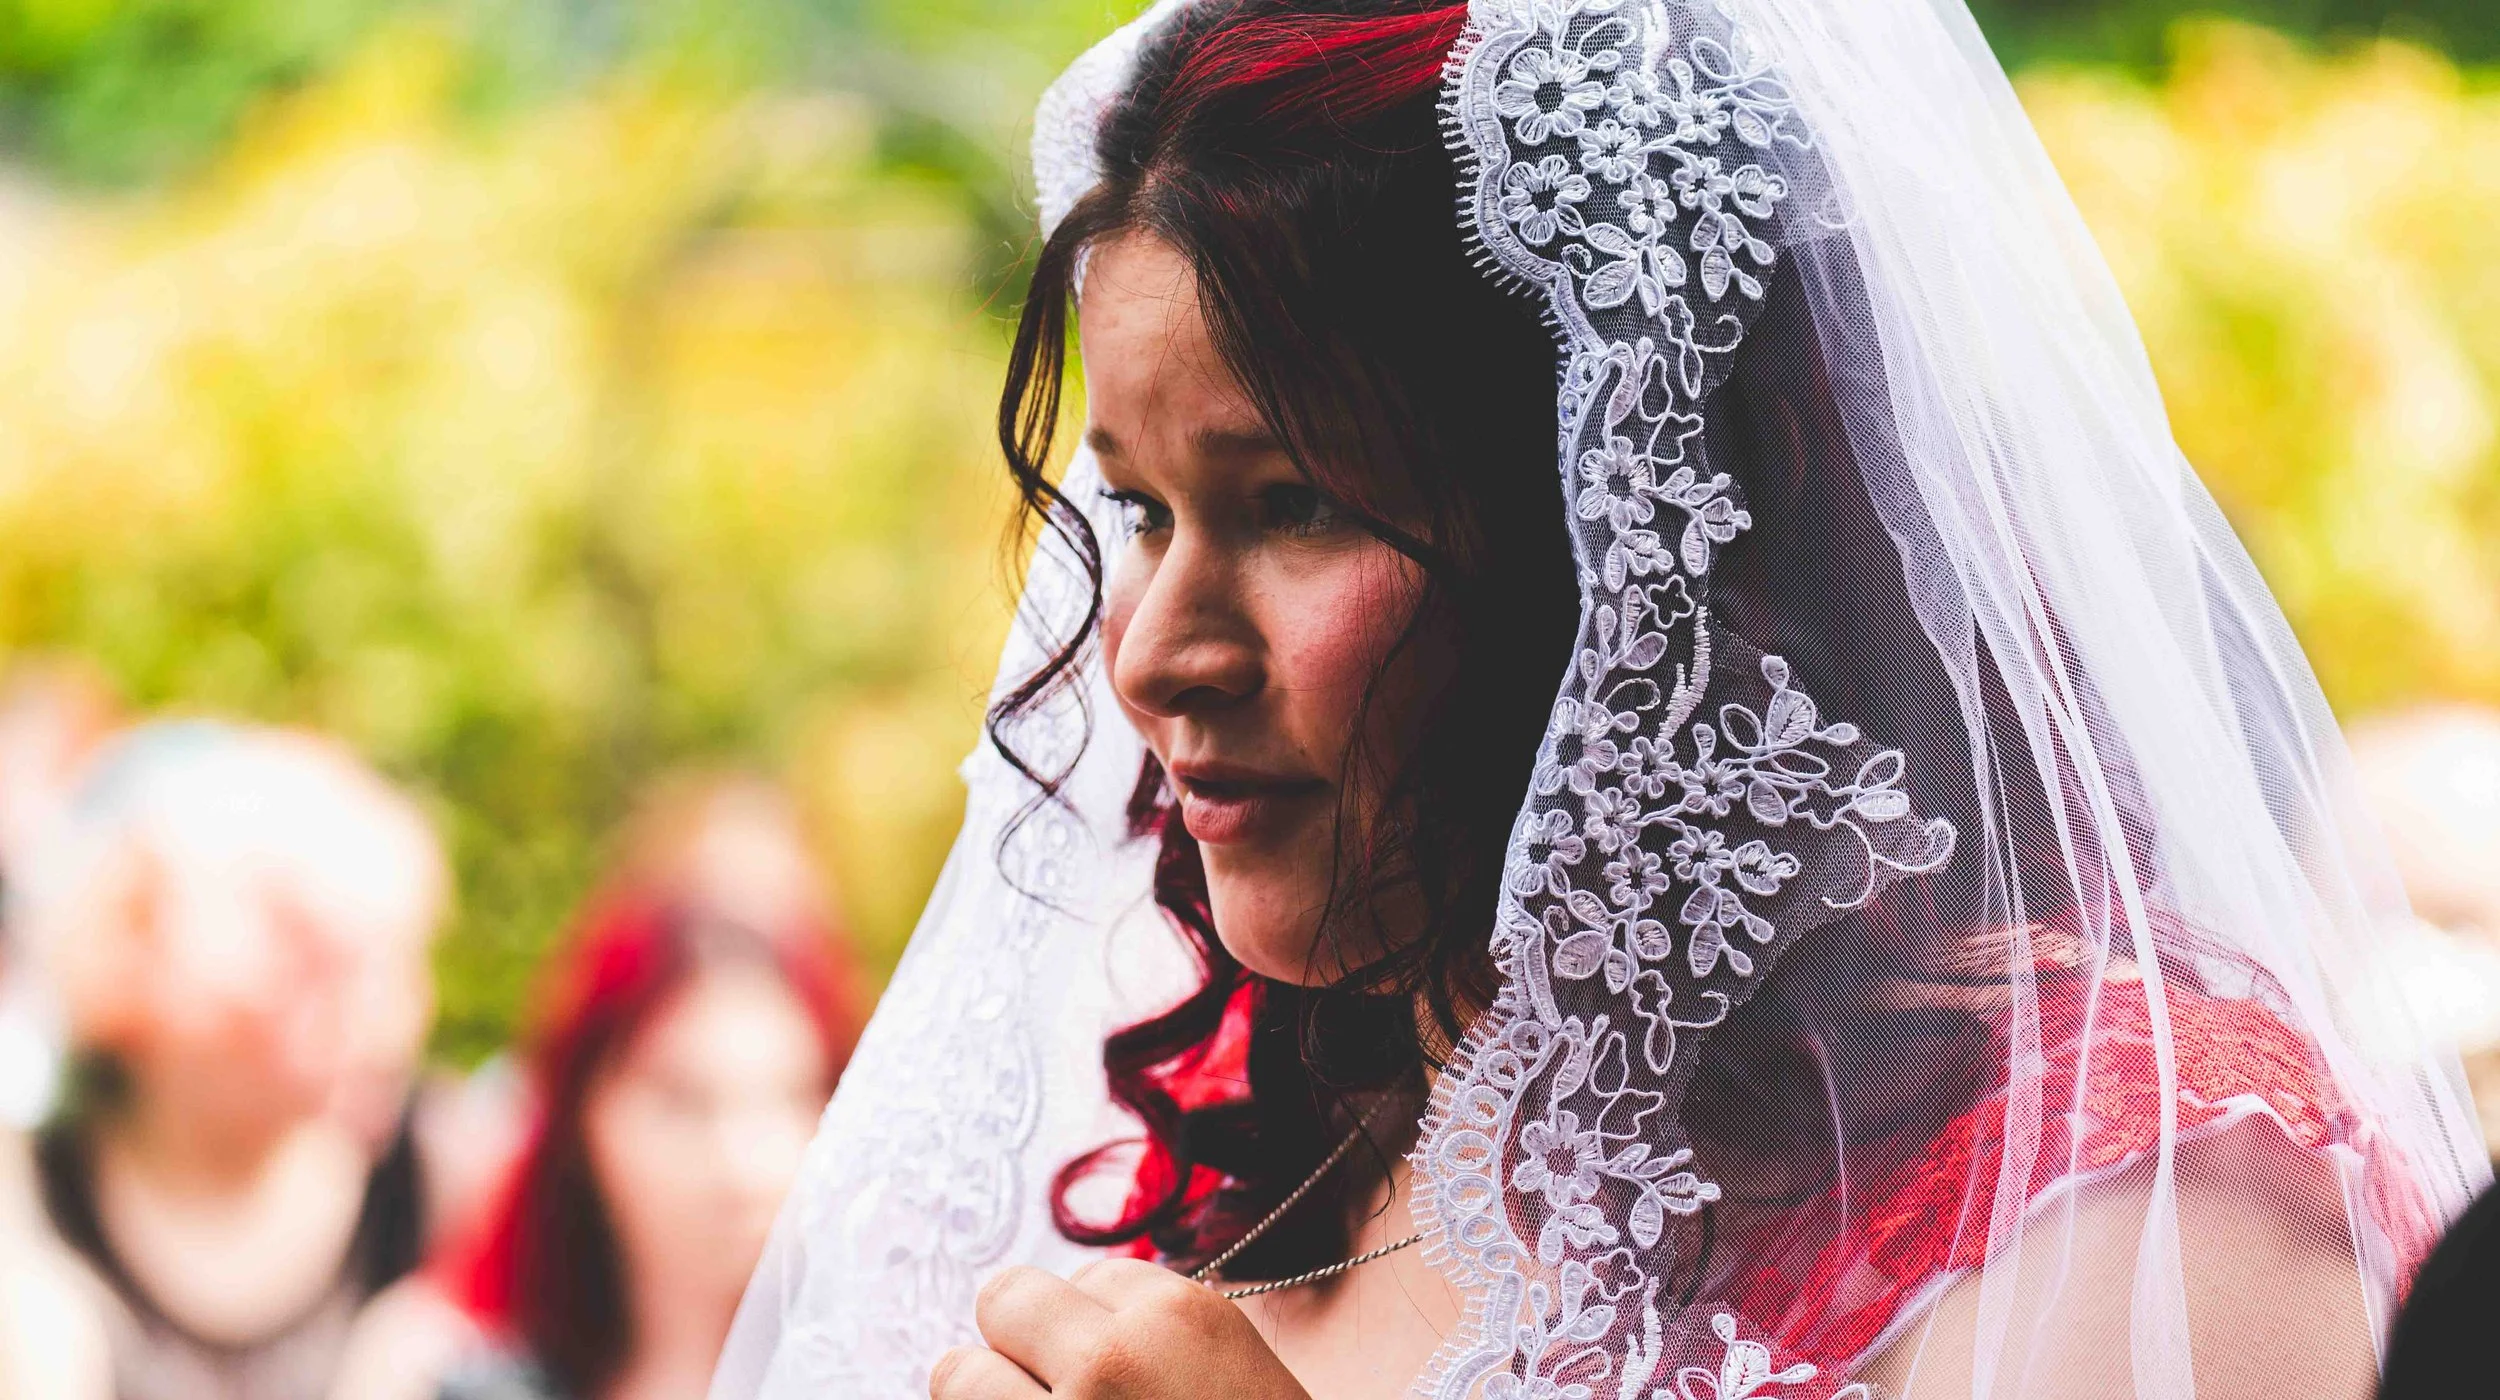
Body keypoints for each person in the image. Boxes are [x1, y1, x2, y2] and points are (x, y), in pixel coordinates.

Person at [711, 2, 2490, 1398]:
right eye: (1142, 511)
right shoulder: (1263, 1160)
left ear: (1632, 536)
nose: (1158, 647)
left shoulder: (2144, 1209)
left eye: (1296, 503)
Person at [333, 775, 864, 1400]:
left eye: (789, 1096)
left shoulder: (888, 1366)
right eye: (683, 1101)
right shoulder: (447, 1368)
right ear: (586, 1111)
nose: (740, 1164)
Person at [8, 720, 447, 1400]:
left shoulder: (448, 1189)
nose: (367, 1021)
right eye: (306, 960)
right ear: (132, 952)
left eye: (381, 965)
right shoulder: (26, 1211)